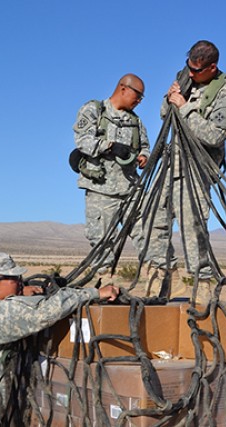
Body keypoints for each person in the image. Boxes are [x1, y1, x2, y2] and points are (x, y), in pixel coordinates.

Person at [0, 252, 119, 426]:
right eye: (14, 279)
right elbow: (44, 312)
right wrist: (94, 293)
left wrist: (21, 293)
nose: (20, 283)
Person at [145, 40, 226, 301]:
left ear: (212, 68)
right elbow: (165, 115)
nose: (191, 74)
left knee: (192, 228)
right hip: (171, 162)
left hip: (196, 167)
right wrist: (170, 99)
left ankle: (202, 289)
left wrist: (184, 107)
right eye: (188, 67)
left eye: (197, 70)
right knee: (152, 219)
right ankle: (165, 280)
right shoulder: (186, 80)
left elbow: (214, 135)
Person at [71, 73, 150, 284]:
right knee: (102, 239)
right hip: (101, 188)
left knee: (147, 231)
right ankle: (106, 282)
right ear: (123, 89)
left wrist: (143, 157)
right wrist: (110, 146)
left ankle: (153, 277)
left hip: (131, 189)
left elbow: (144, 146)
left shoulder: (135, 121)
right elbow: (83, 141)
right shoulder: (94, 110)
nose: (139, 101)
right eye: (138, 95)